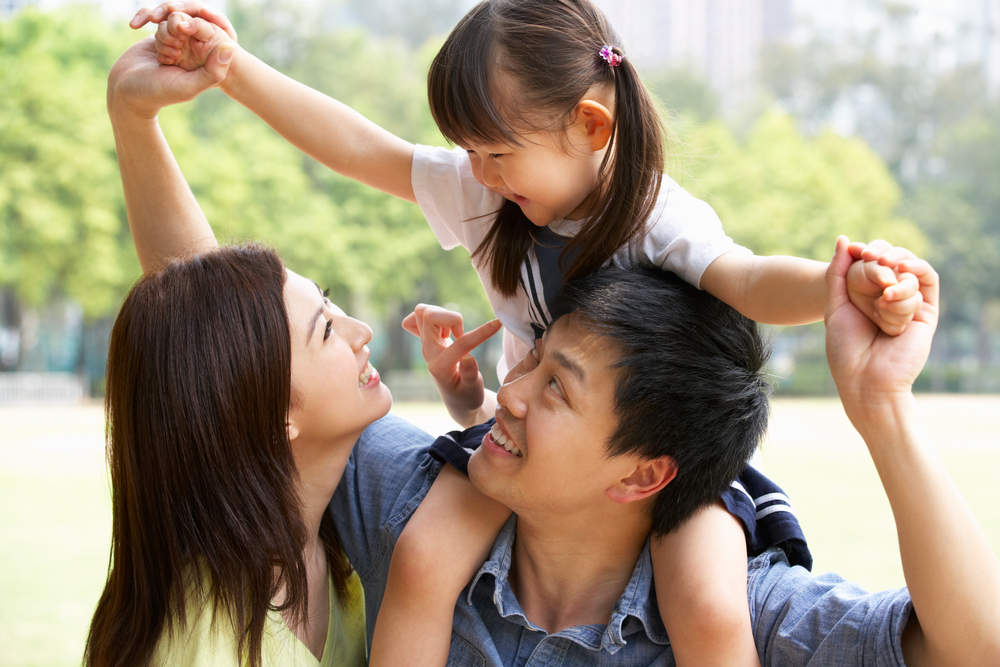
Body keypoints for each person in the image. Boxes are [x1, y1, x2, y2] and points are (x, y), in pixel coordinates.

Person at [104, 32, 1000, 666]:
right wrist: (196, 89)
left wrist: (853, 331)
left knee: (708, 606)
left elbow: (749, 276)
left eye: (558, 382)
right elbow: (218, 346)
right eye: (531, 361)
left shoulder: (660, 223)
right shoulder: (407, 497)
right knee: (426, 554)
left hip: (698, 488)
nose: (517, 389)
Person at [89, 34, 511, 667]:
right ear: (274, 413)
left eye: (333, 304)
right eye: (325, 329)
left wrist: (134, 117)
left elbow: (205, 323)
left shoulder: (311, 522)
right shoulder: (210, 643)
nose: (362, 331)